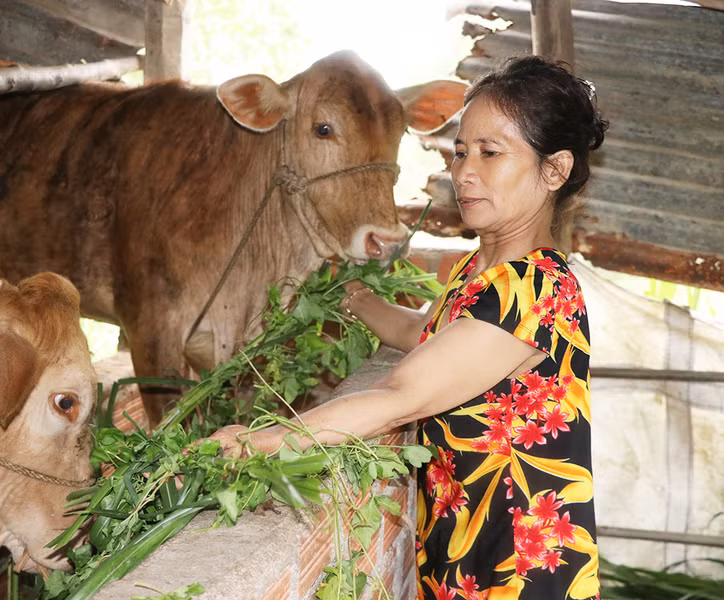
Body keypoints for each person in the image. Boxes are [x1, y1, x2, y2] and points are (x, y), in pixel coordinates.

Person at [209, 55, 608, 599]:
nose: (464, 171)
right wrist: (350, 293)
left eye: (491, 153)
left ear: (555, 169)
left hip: (520, 572)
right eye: (461, 151)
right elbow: (425, 332)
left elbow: (403, 393)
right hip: (466, 557)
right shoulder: (481, 273)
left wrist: (260, 441)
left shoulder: (537, 287)